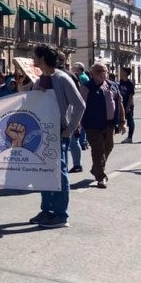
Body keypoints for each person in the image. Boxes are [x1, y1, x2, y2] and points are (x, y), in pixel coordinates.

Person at [29, 44, 86, 228]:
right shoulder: (40, 80)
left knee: (60, 174)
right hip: (43, 133)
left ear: (43, 59)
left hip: (58, 133)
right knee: (44, 172)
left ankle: (61, 215)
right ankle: (47, 210)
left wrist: (69, 129)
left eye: (35, 56)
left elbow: (79, 105)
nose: (33, 60)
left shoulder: (62, 78)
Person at [80, 63, 125, 189]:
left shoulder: (112, 85)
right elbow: (79, 106)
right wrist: (77, 123)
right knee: (98, 150)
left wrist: (122, 122)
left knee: (109, 147)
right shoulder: (86, 87)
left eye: (104, 71)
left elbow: (119, 103)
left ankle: (96, 168)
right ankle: (101, 177)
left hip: (109, 123)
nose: (102, 73)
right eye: (99, 71)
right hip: (92, 124)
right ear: (92, 73)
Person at [118, 67, 136, 144]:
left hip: (128, 104)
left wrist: (128, 106)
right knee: (121, 119)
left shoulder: (130, 83)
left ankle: (130, 137)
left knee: (130, 120)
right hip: (121, 104)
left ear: (125, 73)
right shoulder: (121, 81)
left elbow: (131, 95)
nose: (120, 73)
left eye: (121, 71)